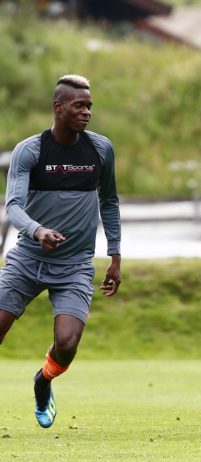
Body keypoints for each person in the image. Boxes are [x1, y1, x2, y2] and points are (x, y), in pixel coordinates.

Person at [0, 75, 121, 429]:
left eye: (89, 106)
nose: (86, 112)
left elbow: (109, 201)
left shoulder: (101, 149)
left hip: (75, 266)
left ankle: (43, 381)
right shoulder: (31, 151)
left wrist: (115, 255)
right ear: (58, 107)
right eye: (79, 106)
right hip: (27, 259)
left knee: (67, 344)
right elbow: (13, 206)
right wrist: (37, 231)